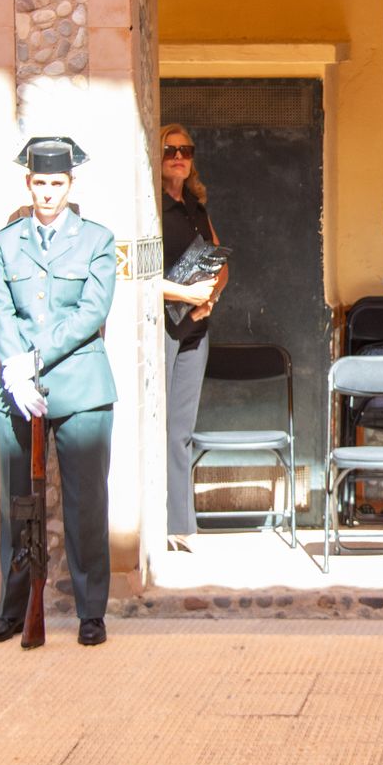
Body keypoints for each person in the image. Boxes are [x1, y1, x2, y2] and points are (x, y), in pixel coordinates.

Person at [0, 136, 117, 648]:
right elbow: (3, 308)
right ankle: (13, 609)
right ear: (28, 184)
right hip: (18, 388)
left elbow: (91, 313)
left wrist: (33, 359)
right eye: (40, 183)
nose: (47, 193)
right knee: (16, 504)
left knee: (86, 505)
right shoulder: (6, 241)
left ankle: (91, 613)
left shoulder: (96, 239)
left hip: (80, 385)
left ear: (70, 185)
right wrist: (16, 370)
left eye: (56, 184)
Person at [160, 124, 227, 553]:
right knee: (160, 427)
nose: (179, 156)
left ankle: (182, 525)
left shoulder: (195, 205)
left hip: (194, 327)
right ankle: (162, 521)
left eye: (186, 150)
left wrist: (210, 298)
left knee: (181, 429)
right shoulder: (150, 205)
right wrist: (185, 293)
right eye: (169, 149)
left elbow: (220, 260)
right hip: (161, 326)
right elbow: (134, 273)